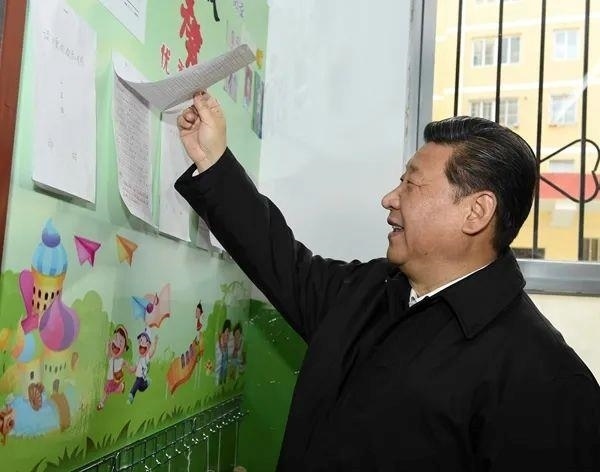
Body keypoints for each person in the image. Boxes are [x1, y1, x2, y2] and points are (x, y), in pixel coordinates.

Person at [174, 91, 600, 471]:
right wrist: (213, 161)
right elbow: (280, 260)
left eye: (411, 184)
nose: (389, 199)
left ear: (476, 212)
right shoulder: (372, 291)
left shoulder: (544, 379)